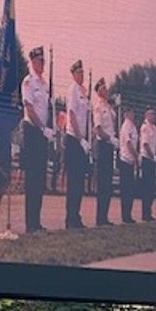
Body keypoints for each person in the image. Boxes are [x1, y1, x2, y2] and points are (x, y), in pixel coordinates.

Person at [20, 46, 51, 233]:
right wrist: (42, 128)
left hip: (41, 133)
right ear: (32, 62)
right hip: (32, 131)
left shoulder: (44, 84)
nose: (42, 64)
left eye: (43, 61)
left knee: (39, 179)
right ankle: (30, 224)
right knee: (32, 179)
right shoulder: (28, 82)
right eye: (40, 61)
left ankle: (36, 222)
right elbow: (30, 110)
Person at [64, 59, 91, 228]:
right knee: (73, 181)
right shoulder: (73, 89)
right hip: (74, 139)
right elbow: (72, 115)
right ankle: (70, 218)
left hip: (82, 141)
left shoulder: (83, 92)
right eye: (79, 72)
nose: (81, 75)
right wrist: (80, 138)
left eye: (82, 72)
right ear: (73, 74)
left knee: (80, 182)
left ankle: (76, 215)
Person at [91, 78, 118, 226]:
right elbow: (98, 130)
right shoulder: (98, 107)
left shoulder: (109, 107)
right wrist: (111, 139)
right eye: (104, 89)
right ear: (99, 91)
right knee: (102, 183)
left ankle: (105, 217)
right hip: (103, 146)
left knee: (108, 183)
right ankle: (100, 218)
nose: (107, 91)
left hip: (109, 146)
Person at [118, 108, 139, 224]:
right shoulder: (126, 126)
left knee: (130, 190)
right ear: (126, 114)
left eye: (133, 112)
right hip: (125, 160)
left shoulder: (132, 126)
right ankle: (125, 216)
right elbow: (128, 143)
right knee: (126, 190)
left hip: (131, 161)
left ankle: (128, 215)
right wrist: (136, 155)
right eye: (131, 112)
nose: (133, 114)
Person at [139, 108, 156, 221]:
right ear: (146, 115)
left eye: (154, 114)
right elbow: (145, 145)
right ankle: (145, 214)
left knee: (151, 188)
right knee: (147, 187)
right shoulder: (145, 127)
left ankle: (149, 212)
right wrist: (153, 157)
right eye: (151, 114)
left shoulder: (154, 128)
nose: (153, 116)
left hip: (152, 159)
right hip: (147, 158)